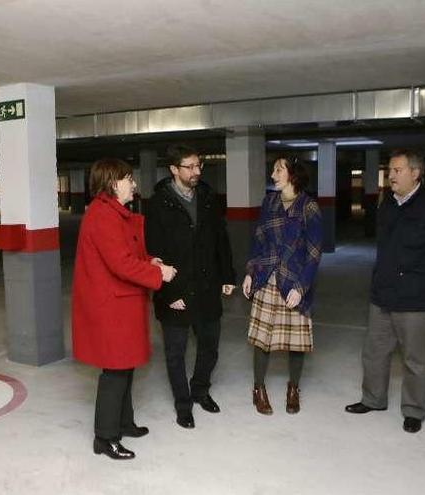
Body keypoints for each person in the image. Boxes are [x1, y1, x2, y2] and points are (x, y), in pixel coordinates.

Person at [345, 149, 425, 433]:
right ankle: (373, 399)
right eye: (390, 170)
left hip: (418, 299)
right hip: (383, 294)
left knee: (414, 359)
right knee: (374, 351)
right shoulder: (387, 206)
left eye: (397, 170)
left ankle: (413, 410)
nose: (391, 176)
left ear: (415, 173)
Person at [71, 158, 177, 460]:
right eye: (128, 178)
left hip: (120, 304)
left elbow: (127, 254)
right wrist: (158, 274)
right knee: (115, 372)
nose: (133, 183)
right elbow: (119, 263)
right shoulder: (103, 216)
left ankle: (124, 422)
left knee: (124, 367)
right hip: (111, 309)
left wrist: (149, 263)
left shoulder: (113, 213)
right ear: (113, 183)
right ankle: (105, 438)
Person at [145, 144, 236, 429]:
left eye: (199, 165)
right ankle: (183, 405)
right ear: (174, 169)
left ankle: (200, 390)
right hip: (176, 292)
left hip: (207, 287)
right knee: (175, 354)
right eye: (190, 167)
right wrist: (168, 293)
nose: (197, 171)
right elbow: (153, 253)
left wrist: (228, 276)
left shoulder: (207, 197)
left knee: (210, 347)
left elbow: (221, 239)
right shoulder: (158, 204)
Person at [242, 156, 323, 415]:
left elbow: (314, 253)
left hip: (295, 281)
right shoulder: (269, 202)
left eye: (279, 170)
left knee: (295, 341)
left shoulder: (309, 207)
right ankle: (258, 388)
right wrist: (249, 273)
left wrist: (301, 288)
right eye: (273, 170)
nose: (273, 174)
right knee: (261, 339)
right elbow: (259, 239)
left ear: (293, 175)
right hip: (266, 277)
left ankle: (293, 388)